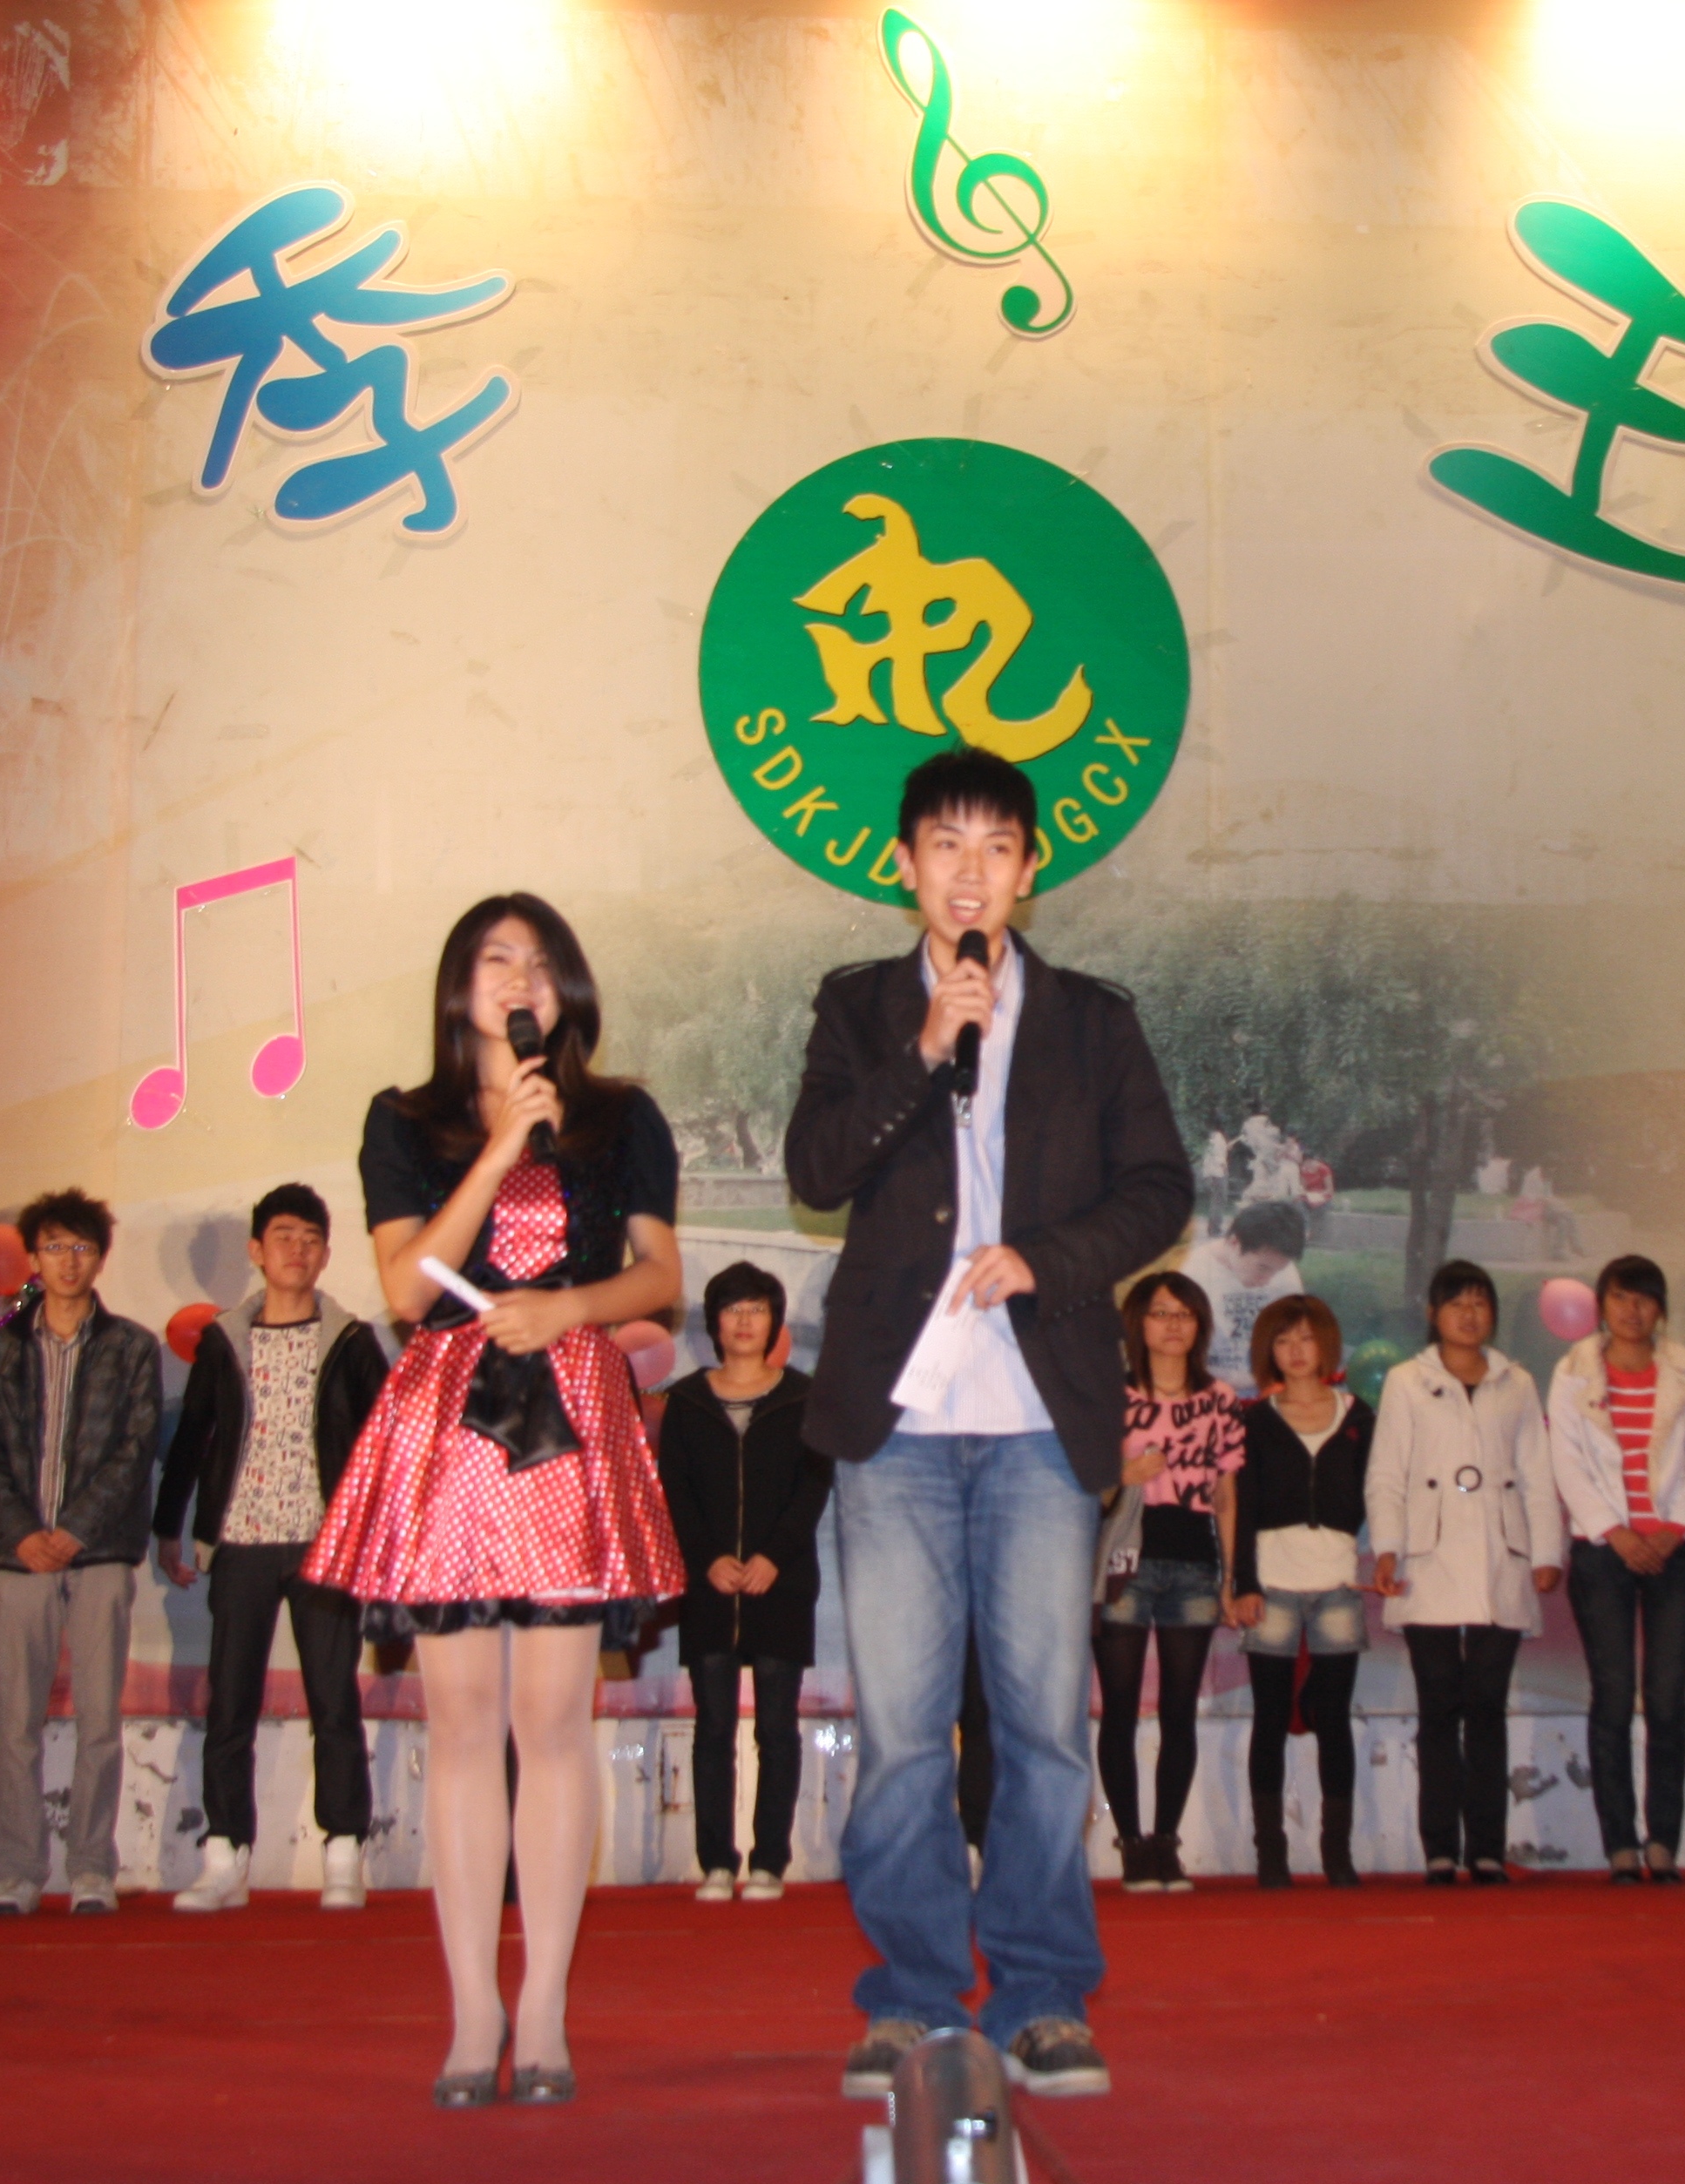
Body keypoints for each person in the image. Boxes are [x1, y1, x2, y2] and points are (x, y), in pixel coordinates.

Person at [784, 748, 1188, 2102]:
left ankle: (1041, 1996)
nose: (970, 871)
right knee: (903, 1730)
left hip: (1036, 1417)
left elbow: (1158, 1190)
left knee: (1043, 1729)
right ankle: (908, 1998)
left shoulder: (1092, 1021)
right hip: (896, 1421)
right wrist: (924, 1048)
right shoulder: (858, 1007)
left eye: (997, 846)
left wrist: (1048, 1260)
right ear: (905, 864)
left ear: (1031, 867)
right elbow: (816, 1170)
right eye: (945, 845)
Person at [301, 894, 687, 2106]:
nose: (518, 978)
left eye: (539, 961)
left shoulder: (620, 1116)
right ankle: (475, 2012)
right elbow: (407, 1288)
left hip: (569, 1411)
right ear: (459, 985)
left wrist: (570, 1309)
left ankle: (547, 2010)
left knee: (554, 1723)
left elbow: (660, 1276)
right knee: (462, 1727)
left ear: (567, 989)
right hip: (451, 1422)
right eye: (494, 958)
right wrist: (501, 1144)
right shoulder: (403, 1117)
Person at [153, 1184, 393, 1914]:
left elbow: (386, 1442)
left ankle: (344, 1851)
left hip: (326, 1545)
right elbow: (193, 1434)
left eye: (311, 1239)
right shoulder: (224, 1339)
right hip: (242, 1540)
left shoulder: (350, 1340)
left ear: (326, 1254)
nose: (298, 1249)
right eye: (284, 1236)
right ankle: (225, 1855)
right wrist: (170, 1527)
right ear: (257, 1250)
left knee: (333, 1700)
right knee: (230, 1702)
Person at [0, 1188, 163, 1918]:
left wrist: (75, 1528)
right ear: (33, 1258)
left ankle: (90, 1868)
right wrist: (23, 1530)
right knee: (17, 1721)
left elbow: (136, 1447)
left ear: (100, 1258)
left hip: (100, 1552)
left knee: (99, 1721)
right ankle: (16, 1871)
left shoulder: (131, 1347)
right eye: (54, 1247)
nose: (68, 1261)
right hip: (16, 1555)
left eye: (81, 1247)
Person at [1366, 1261, 1560, 1885]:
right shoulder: (1407, 1381)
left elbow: (1537, 1474)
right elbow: (1387, 1473)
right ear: (1434, 1314)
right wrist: (1387, 1548)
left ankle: (1487, 1847)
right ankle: (1440, 1849)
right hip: (1429, 1558)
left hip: (1501, 1556)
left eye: (1480, 1303)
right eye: (1457, 1303)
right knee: (1438, 1706)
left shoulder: (1517, 1382)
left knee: (1487, 1706)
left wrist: (1547, 1553)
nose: (1469, 1315)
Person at [655, 1261, 833, 1902]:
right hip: (709, 1587)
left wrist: (774, 1556)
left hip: (781, 1583)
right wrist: (706, 1557)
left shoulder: (804, 1397)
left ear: (775, 1322)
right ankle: (716, 1863)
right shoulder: (686, 1400)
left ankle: (769, 1862)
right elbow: (675, 1490)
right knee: (713, 1728)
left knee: (777, 1727)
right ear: (714, 1323)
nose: (745, 1321)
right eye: (733, 1310)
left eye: (757, 1309)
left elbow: (814, 1485)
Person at [1543, 1254, 1685, 1884]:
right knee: (1613, 1696)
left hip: (1676, 1553)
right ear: (1601, 1305)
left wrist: (1673, 1530)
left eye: (1644, 1298)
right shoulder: (1571, 1372)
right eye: (1620, 1297)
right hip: (1604, 1553)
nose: (1631, 1310)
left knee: (1667, 1696)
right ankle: (1620, 1842)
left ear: (1660, 1309)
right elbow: (1566, 1462)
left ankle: (1663, 1842)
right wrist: (1614, 1532)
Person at [1099, 1272, 1243, 1891]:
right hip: (1125, 1560)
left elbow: (1228, 1495)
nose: (1173, 1324)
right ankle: (1131, 1843)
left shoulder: (1219, 1398)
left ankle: (1166, 1842)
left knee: (1180, 1710)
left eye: (1185, 1313)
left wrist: (1232, 1577)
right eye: (1161, 1313)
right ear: (1138, 1322)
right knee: (1121, 1709)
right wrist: (1124, 1473)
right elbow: (1085, 1486)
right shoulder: (1111, 1394)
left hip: (1193, 1564)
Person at [1229, 1292, 1376, 1889]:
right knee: (1269, 1717)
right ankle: (1271, 1853)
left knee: (1334, 1716)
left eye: (1306, 1338)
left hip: (1337, 1580)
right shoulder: (1254, 1421)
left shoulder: (1359, 1417)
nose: (1295, 1350)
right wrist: (1242, 1584)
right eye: (1283, 1339)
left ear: (1326, 1345)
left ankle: (1337, 1852)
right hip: (1272, 1582)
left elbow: (1378, 1494)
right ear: (1269, 1350)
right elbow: (1241, 1509)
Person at [1177, 1200, 1305, 1395]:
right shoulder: (1192, 1274)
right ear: (1234, 1242)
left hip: (1270, 1384)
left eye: (1278, 1270)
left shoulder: (1279, 1266)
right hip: (1205, 1387)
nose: (1267, 1280)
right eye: (1262, 1268)